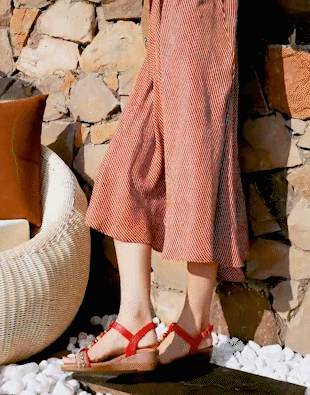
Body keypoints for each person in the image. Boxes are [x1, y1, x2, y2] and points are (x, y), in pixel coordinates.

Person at [62, 0, 249, 373]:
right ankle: (135, 319)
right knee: (129, 167)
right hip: (167, 12)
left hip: (199, 9)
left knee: (199, 157)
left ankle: (194, 327)